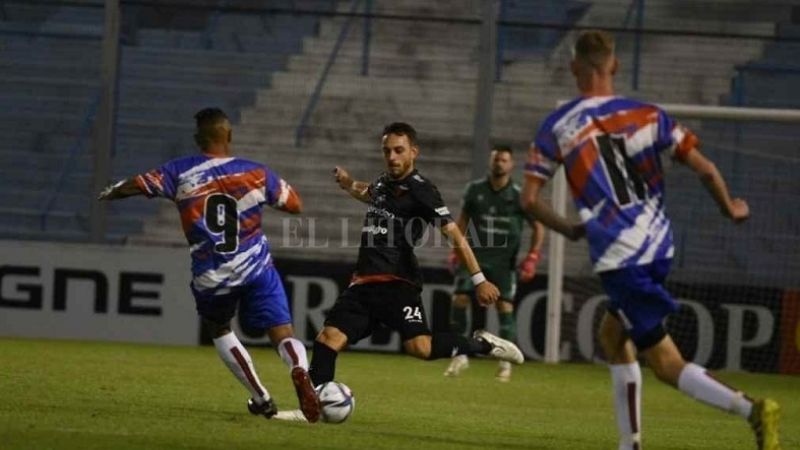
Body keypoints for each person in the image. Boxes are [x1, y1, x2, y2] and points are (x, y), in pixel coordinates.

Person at [520, 31, 781, 450]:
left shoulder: (558, 126)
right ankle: (631, 444)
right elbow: (707, 168)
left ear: (573, 69)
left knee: (665, 363)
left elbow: (529, 199)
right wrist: (730, 207)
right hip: (660, 245)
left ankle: (752, 410)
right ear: (615, 66)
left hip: (620, 256)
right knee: (612, 335)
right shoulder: (649, 115)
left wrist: (569, 230)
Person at [97, 108, 321, 423]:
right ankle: (298, 369)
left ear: (197, 139)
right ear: (228, 135)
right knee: (282, 331)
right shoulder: (255, 172)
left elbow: (138, 184)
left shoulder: (179, 171)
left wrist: (113, 191)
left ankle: (262, 397)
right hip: (256, 266)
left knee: (219, 328)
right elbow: (294, 205)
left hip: (213, 274)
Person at [306, 122, 524, 402]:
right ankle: (311, 406)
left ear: (414, 152)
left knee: (421, 347)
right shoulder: (385, 182)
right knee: (327, 339)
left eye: (399, 150)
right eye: (387, 151)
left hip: (398, 283)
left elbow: (455, 233)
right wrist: (349, 184)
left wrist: (479, 279)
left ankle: (481, 345)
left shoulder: (423, 191)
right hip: (363, 283)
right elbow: (369, 193)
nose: (392, 157)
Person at [444, 145, 544, 382]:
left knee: (504, 308)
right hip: (473, 258)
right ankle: (460, 355)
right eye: (496, 159)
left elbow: (538, 227)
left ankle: (505, 362)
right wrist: (454, 250)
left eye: (504, 160)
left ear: (511, 165)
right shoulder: (474, 190)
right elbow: (462, 221)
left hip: (503, 262)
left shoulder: (519, 196)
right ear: (491, 163)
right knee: (459, 299)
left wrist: (532, 257)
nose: (499, 163)